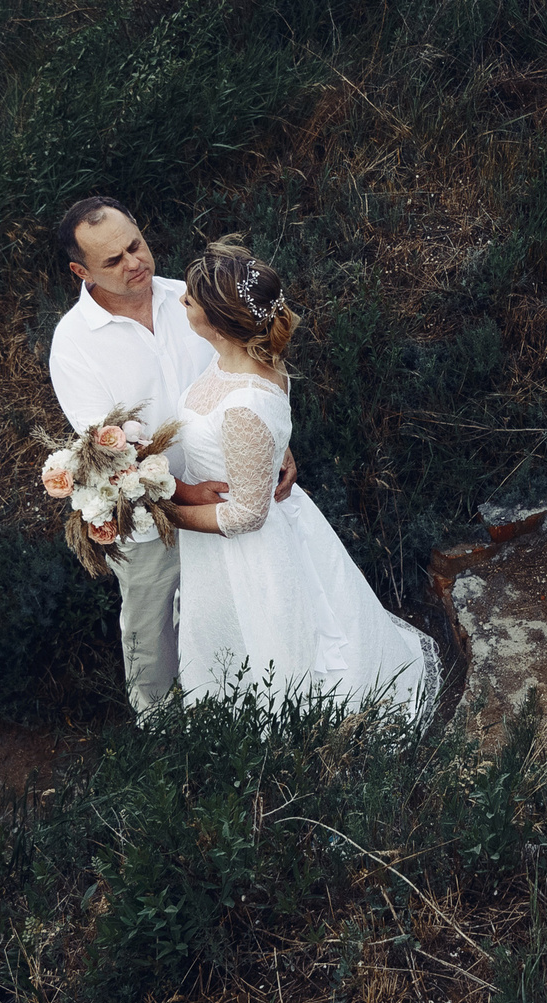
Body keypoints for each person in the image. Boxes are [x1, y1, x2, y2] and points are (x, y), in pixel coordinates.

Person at [163, 237, 442, 721]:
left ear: (218, 322)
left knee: (274, 643)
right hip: (220, 538)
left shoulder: (246, 399)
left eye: (189, 298)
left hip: (250, 551)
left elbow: (248, 514)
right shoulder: (232, 359)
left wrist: (166, 513)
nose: (180, 301)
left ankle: (297, 739)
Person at [47, 196, 296, 716]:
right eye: (112, 261)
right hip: (150, 518)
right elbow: (109, 448)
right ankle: (157, 726)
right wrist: (179, 496)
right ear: (80, 270)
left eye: (134, 245)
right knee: (150, 623)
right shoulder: (74, 345)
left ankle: (246, 713)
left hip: (232, 494)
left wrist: (277, 442)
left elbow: (246, 375)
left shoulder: (190, 300)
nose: (133, 263)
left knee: (236, 608)